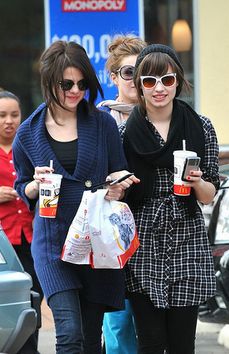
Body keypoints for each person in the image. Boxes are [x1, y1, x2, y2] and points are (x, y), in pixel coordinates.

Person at [12, 40, 139, 354]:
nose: (75, 91)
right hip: (53, 245)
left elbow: (118, 170)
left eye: (82, 83)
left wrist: (118, 184)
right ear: (48, 81)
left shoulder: (102, 124)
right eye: (66, 83)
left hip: (95, 244)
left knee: (92, 339)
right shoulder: (27, 133)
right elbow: (22, 186)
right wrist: (34, 186)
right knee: (69, 334)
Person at [119, 44, 220, 354]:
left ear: (178, 81)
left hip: (187, 236)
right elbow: (116, 194)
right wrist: (118, 186)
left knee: (181, 344)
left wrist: (197, 180)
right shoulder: (125, 134)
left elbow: (209, 194)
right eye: (149, 81)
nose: (159, 88)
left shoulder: (200, 127)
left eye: (167, 79)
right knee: (149, 342)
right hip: (143, 240)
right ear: (139, 86)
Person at [98, 35, 146, 354]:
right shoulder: (99, 121)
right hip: (111, 235)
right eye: (128, 72)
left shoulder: (164, 116)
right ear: (114, 77)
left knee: (153, 327)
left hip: (153, 233)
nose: (136, 79)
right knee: (117, 324)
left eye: (142, 70)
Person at [0, 90, 43, 354]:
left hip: (32, 236)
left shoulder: (30, 145)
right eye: (2, 115)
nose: (9, 121)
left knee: (32, 299)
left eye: (14, 115)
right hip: (3, 243)